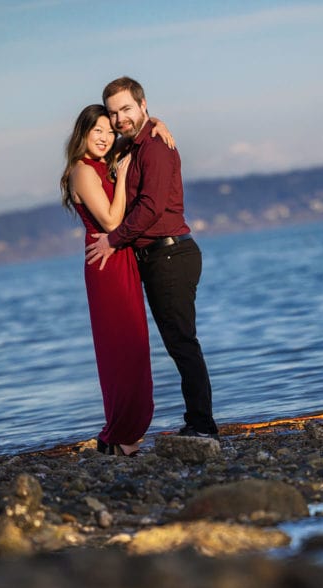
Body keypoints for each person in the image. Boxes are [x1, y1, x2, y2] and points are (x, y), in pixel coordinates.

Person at [86, 76, 218, 440]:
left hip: (171, 254)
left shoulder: (156, 148)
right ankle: (197, 422)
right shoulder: (137, 145)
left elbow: (150, 208)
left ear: (143, 105)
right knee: (178, 343)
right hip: (156, 256)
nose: (119, 119)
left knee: (182, 343)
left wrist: (114, 239)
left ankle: (202, 427)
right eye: (113, 114)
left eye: (126, 109)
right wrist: (155, 121)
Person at [61, 104, 173, 456]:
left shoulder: (106, 161)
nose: (106, 138)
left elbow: (138, 129)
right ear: (83, 132)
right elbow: (111, 221)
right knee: (122, 351)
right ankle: (118, 436)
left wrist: (157, 122)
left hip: (122, 259)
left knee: (137, 349)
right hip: (105, 266)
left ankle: (126, 436)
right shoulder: (82, 171)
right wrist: (123, 177)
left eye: (110, 132)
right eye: (98, 131)